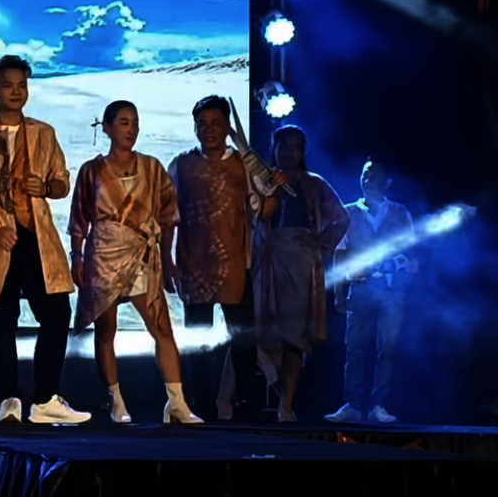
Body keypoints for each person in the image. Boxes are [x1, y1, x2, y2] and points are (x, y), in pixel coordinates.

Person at [0, 55, 89, 424]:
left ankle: (44, 398)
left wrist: (46, 187)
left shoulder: (43, 132)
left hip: (35, 235)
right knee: (1, 319)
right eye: (8, 85)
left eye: (21, 85)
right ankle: (8, 398)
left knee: (56, 313)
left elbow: (61, 181)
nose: (16, 91)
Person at [70, 101, 202, 424]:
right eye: (124, 122)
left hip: (142, 254)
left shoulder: (153, 167)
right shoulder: (92, 170)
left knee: (162, 329)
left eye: (135, 123)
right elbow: (79, 218)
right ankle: (115, 401)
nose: (132, 129)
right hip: (103, 255)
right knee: (106, 330)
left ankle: (177, 403)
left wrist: (167, 258)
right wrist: (76, 255)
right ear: (107, 128)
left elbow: (170, 215)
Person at [165, 95, 275, 421]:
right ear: (195, 128)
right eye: (203, 124)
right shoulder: (181, 164)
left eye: (216, 124)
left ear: (228, 127)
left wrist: (276, 192)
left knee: (242, 341)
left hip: (236, 267)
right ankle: (199, 405)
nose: (209, 130)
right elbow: (168, 215)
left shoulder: (245, 164)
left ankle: (249, 407)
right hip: (193, 263)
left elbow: (265, 212)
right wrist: (166, 262)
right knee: (197, 341)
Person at [252, 125, 349, 422]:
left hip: (301, 261)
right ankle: (254, 398)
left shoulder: (314, 184)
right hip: (267, 259)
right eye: (284, 146)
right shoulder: (262, 180)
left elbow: (341, 218)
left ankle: (286, 404)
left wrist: (321, 241)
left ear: (303, 151)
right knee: (265, 331)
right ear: (274, 148)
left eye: (296, 147)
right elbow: (253, 217)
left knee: (295, 335)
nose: (290, 152)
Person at [325, 158, 416, 424]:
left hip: (391, 290)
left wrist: (403, 278)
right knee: (355, 348)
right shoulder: (348, 212)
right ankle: (353, 404)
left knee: (387, 347)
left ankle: (379, 405)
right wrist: (339, 293)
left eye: (375, 176)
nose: (368, 180)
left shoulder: (400, 213)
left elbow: (412, 251)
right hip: (360, 289)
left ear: (387, 182)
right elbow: (339, 253)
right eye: (365, 174)